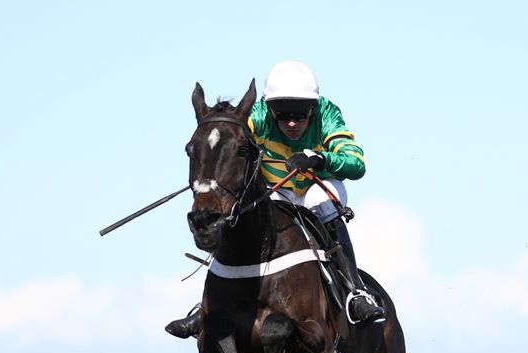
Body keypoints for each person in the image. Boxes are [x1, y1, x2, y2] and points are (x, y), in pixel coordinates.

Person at [165, 61, 385, 338]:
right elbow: (228, 142)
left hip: (319, 186)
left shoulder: (328, 113)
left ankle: (356, 292)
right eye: (282, 114)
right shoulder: (257, 116)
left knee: (319, 200)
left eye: (301, 113)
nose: (291, 122)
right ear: (269, 108)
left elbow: (356, 163)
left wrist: (319, 159)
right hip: (276, 190)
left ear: (313, 107)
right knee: (239, 208)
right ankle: (207, 304)